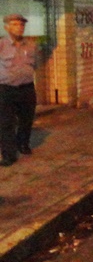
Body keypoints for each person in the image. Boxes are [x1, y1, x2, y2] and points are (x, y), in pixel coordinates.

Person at [0, 14, 37, 167]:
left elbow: (34, 64)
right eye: (15, 24)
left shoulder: (31, 45)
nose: (19, 27)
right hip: (6, 89)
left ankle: (23, 144)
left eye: (21, 25)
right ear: (6, 27)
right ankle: (9, 155)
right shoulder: (1, 44)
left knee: (26, 119)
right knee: (6, 123)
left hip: (27, 88)